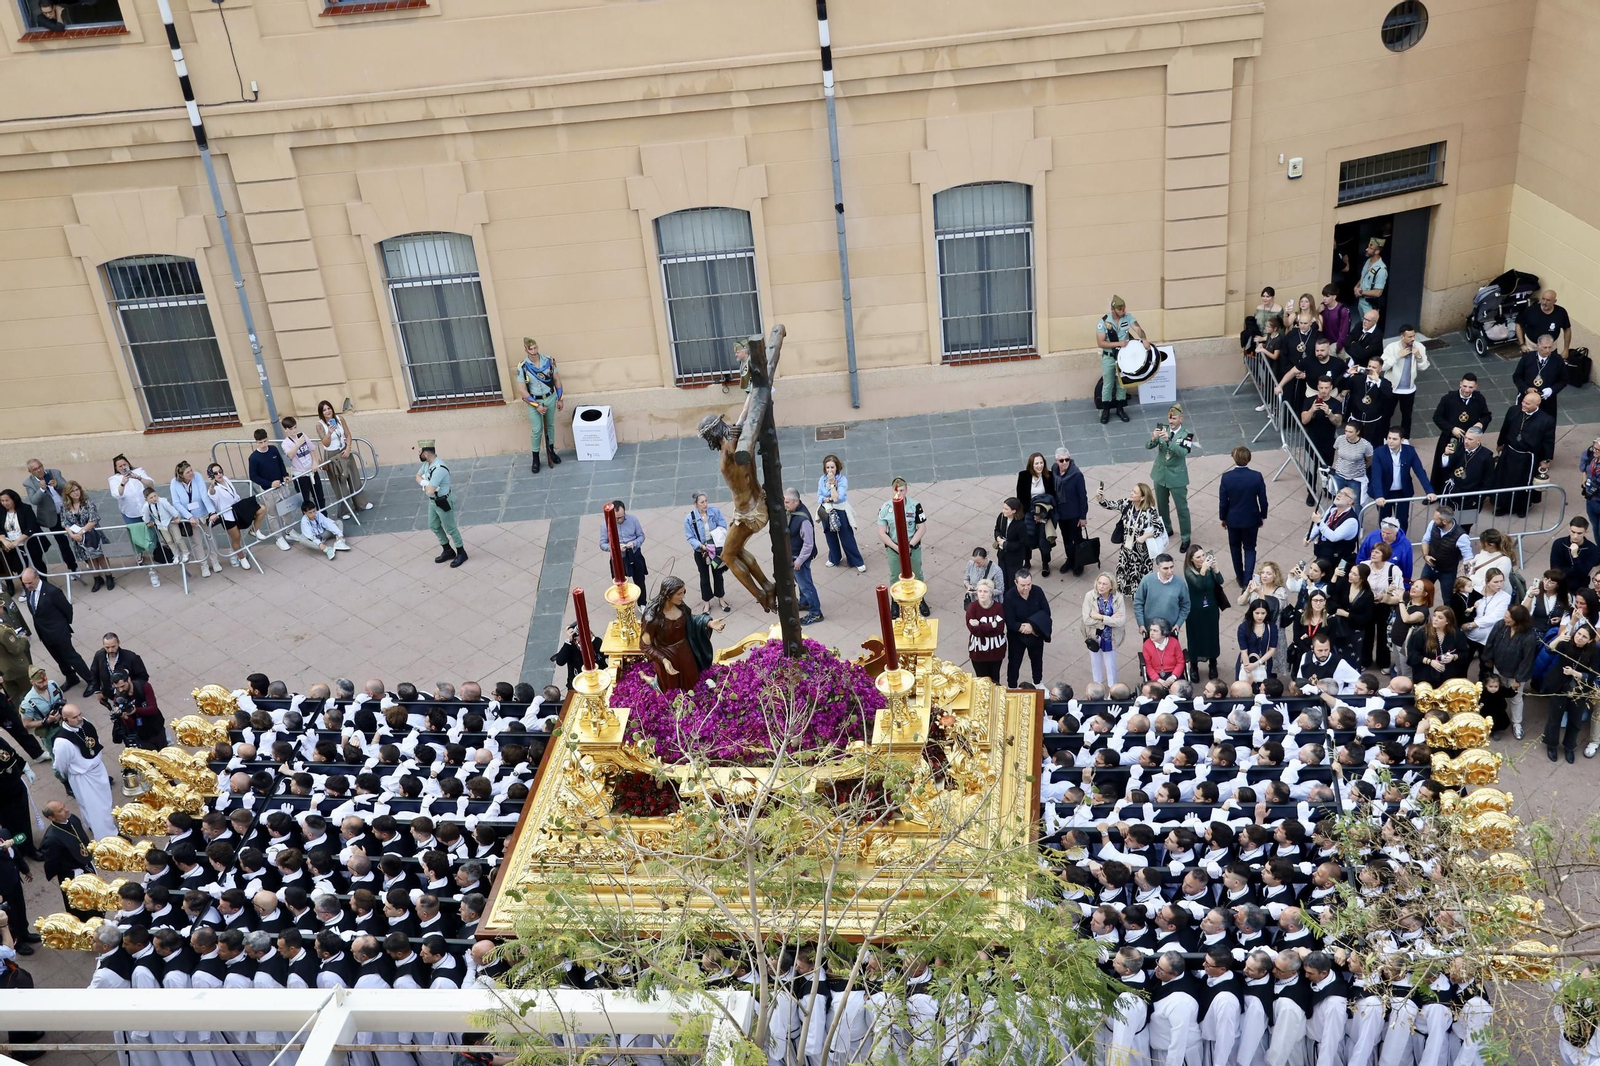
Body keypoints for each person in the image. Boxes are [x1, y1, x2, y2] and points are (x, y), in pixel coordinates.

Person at [638, 576, 726, 693]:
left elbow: (690, 621)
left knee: (692, 680)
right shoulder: (652, 619)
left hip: (685, 651)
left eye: (683, 592)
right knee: (671, 688)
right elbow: (645, 645)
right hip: (667, 655)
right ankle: (645, 678)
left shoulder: (680, 606)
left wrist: (708, 622)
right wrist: (663, 660)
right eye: (679, 594)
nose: (682, 597)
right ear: (668, 595)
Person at [17, 570, 90, 697]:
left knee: (71, 657)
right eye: (25, 583)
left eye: (29, 582)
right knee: (59, 658)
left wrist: (62, 626)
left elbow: (67, 609)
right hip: (44, 633)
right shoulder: (30, 591)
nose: (27, 586)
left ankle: (91, 680)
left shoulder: (52, 591)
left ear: (37, 578)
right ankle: (71, 677)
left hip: (59, 632)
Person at [51, 703, 116, 839]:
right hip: (83, 776)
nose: (80, 718)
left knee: (103, 803)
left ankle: (92, 824)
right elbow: (60, 765)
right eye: (75, 717)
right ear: (65, 719)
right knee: (97, 808)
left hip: (97, 769)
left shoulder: (84, 723)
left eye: (80, 714)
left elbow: (95, 741)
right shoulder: (62, 741)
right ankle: (108, 837)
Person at [1492, 389, 1556, 517]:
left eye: (1527, 403)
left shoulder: (1546, 420)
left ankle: (1522, 507)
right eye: (1523, 401)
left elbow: (1548, 440)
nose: (1523, 405)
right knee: (1504, 480)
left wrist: (1546, 459)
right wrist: (1500, 443)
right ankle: (1503, 505)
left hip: (1528, 456)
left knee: (1523, 483)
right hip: (1510, 452)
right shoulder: (1513, 411)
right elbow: (1505, 428)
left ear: (1536, 405)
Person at [1542, 619, 1597, 764]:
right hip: (1559, 685)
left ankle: (1569, 747)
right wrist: (1559, 638)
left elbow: (1593, 675)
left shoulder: (1594, 651)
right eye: (1579, 634)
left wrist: (1575, 673)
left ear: (1590, 640)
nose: (1579, 637)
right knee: (1555, 717)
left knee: (1575, 720)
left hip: (1579, 689)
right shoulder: (1567, 643)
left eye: (1584, 637)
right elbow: (1549, 650)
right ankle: (1551, 744)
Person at [1481, 605, 1539, 741]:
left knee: (1516, 698)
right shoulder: (1501, 625)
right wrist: (1488, 660)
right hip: (1499, 668)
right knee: (1495, 694)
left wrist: (1518, 679)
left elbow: (1527, 659)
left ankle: (1517, 724)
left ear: (1517, 620)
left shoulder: (1529, 636)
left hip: (1516, 674)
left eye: (1508, 617)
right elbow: (1491, 642)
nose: (1504, 619)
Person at [1098, 482, 1165, 596]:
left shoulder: (1150, 511)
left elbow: (1160, 529)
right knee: (1124, 572)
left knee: (1139, 576)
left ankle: (1139, 598)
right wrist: (1100, 498)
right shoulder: (1127, 503)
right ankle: (1126, 593)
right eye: (1132, 490)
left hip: (1141, 553)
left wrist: (1144, 536)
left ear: (1142, 497)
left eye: (1135, 492)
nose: (1131, 493)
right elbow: (1109, 504)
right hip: (1127, 548)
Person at [1147, 404, 1197, 553]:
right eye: (1169, 418)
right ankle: (1167, 529)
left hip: (1177, 476)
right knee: (1162, 506)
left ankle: (1186, 537)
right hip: (1160, 474)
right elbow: (1149, 446)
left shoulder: (1187, 435)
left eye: (1174, 418)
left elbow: (1182, 452)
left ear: (1181, 419)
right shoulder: (1163, 429)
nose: (1171, 421)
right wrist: (1154, 438)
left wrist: (1169, 441)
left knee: (1181, 508)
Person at [1217, 446, 1268, 589]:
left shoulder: (1227, 477)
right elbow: (1263, 500)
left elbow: (1223, 501)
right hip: (1251, 519)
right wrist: (1262, 515)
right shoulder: (1256, 476)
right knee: (1250, 548)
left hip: (1233, 520)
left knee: (1235, 548)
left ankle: (1240, 577)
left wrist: (1223, 517)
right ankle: (1247, 580)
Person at [1428, 373, 1492, 484]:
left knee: (1465, 464)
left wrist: (1481, 423)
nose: (1467, 390)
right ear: (1460, 384)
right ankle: (1436, 492)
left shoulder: (1479, 399)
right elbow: (1437, 417)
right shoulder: (1448, 399)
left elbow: (1487, 415)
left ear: (1475, 386)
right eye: (1465, 386)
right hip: (1450, 438)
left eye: (1470, 387)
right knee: (1443, 463)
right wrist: (1452, 428)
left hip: (1468, 440)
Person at [1369, 428, 1435, 532]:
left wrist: (1429, 491)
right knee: (1384, 520)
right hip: (1385, 492)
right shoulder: (1379, 452)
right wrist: (1378, 495)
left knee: (1403, 520)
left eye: (1394, 439)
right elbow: (1376, 476)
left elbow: (1420, 471)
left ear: (1402, 440)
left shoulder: (1410, 451)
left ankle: (1401, 541)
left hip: (1402, 492)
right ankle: (1386, 543)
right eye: (1389, 438)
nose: (1390, 441)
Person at [169, 460, 223, 580]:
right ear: (181, 475)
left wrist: (212, 512)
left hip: (203, 513)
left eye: (191, 470)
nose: (191, 473)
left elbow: (204, 496)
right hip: (191, 517)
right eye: (188, 472)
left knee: (211, 538)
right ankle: (203, 564)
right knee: (196, 542)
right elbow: (176, 503)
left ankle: (215, 561)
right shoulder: (174, 483)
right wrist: (189, 517)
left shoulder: (197, 477)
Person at [516, 338, 564, 472]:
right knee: (537, 430)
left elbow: (557, 380)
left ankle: (551, 452)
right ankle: (535, 459)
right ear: (526, 349)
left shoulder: (548, 361)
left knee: (550, 426)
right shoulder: (523, 367)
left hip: (549, 398)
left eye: (535, 348)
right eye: (531, 349)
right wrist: (537, 406)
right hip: (534, 401)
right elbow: (522, 390)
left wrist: (560, 399)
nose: (534, 351)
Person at [416, 441, 466, 568]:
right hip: (433, 501)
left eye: (420, 451)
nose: (419, 453)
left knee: (450, 528)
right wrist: (426, 483)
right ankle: (448, 550)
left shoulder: (439, 469)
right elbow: (417, 476)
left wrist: (426, 485)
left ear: (426, 454)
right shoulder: (428, 464)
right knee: (433, 525)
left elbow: (430, 490)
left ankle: (461, 552)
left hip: (443, 501)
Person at [1095, 295, 1145, 424]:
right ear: (1113, 309)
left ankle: (1120, 408)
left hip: (1124, 357)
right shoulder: (1103, 322)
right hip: (1109, 357)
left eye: (1124, 308)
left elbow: (1138, 329)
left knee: (1122, 383)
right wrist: (1118, 344)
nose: (1123, 311)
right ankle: (1106, 410)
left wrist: (1144, 340)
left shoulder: (1127, 317)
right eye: (1120, 309)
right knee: (1108, 384)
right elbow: (1101, 343)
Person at [22, 460, 76, 576]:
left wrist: (57, 484)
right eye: (35, 469)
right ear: (30, 471)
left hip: (67, 512)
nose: (39, 470)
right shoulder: (28, 483)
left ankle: (88, 561)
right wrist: (41, 490)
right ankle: (73, 568)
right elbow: (34, 500)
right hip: (52, 517)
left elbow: (67, 487)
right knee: (63, 544)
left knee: (79, 537)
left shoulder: (55, 473)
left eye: (40, 466)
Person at [204, 461, 261, 569]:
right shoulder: (214, 489)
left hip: (238, 509)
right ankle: (241, 557)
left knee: (261, 509)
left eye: (220, 471)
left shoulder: (226, 479)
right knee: (236, 538)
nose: (219, 474)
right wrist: (211, 485)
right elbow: (212, 494)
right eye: (215, 473)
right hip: (228, 517)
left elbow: (234, 494)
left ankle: (254, 530)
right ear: (211, 476)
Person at [815, 455, 866, 573]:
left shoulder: (842, 480)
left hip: (840, 510)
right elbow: (819, 497)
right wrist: (827, 499)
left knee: (846, 535)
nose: (830, 470)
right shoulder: (822, 479)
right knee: (829, 535)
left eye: (832, 467)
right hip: (826, 510)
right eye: (827, 467)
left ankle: (856, 560)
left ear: (837, 467)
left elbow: (839, 497)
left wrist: (833, 485)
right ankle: (834, 557)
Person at [683, 492, 731, 613]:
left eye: (706, 501)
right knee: (704, 577)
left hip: (716, 550)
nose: (705, 504)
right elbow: (690, 537)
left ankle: (721, 598)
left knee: (718, 575)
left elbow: (723, 526)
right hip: (701, 552)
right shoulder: (690, 519)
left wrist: (715, 541)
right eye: (702, 502)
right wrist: (701, 546)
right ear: (695, 504)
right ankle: (706, 603)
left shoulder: (714, 512)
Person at [1002, 569, 1051, 689]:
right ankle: (1012, 686)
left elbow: (1046, 612)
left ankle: (1038, 682)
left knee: (1037, 660)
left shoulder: (1037, 591)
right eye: (1023, 585)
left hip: (1035, 634)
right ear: (1016, 582)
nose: (1027, 588)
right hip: (1017, 637)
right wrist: (1025, 628)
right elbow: (1010, 621)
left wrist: (1032, 627)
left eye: (1029, 584)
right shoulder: (1009, 596)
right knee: (1014, 662)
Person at [58, 481, 111, 591]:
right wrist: (72, 535)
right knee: (89, 558)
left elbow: (93, 519)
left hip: (93, 535)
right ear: (68, 493)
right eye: (72, 491)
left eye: (77, 490)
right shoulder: (65, 506)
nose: (76, 493)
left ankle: (109, 577)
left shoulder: (88, 503)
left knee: (101, 557)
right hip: (79, 538)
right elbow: (64, 522)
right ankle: (97, 578)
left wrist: (81, 532)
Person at [1183, 546, 1226, 682]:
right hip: (1195, 609)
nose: (1202, 559)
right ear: (1191, 559)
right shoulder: (1188, 571)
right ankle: (1194, 665)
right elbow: (1198, 585)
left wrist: (1215, 568)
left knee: (1212, 635)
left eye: (1203, 555)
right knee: (1195, 637)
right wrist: (1203, 570)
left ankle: (1213, 663)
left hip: (1211, 607)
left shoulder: (1209, 568)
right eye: (1198, 557)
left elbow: (1220, 581)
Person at [247, 428, 294, 551]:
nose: (264, 444)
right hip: (268, 490)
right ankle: (279, 537)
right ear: (256, 442)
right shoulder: (254, 458)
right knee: (272, 514)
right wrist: (269, 484)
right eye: (261, 442)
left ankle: (289, 531)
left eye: (265, 441)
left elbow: (280, 463)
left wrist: (285, 475)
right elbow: (253, 476)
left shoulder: (273, 449)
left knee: (286, 509)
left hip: (281, 485)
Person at [1379, 324, 1427, 440]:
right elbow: (1383, 366)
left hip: (1409, 389)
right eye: (1409, 336)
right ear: (1402, 336)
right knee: (1387, 414)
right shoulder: (1391, 347)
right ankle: (1385, 437)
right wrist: (1397, 356)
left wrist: (1419, 356)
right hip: (1392, 388)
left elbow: (1424, 367)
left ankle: (1405, 438)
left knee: (1407, 416)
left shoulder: (1419, 347)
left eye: (1413, 336)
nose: (1413, 339)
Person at [782, 489, 823, 625]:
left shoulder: (802, 520)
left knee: (806, 585)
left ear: (796, 501)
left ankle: (816, 613)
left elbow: (808, 544)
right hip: (794, 554)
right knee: (801, 582)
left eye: (787, 502)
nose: (784, 504)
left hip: (799, 557)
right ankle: (804, 602)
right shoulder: (794, 512)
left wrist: (799, 560)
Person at [1080, 572, 1126, 687]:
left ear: (1111, 586)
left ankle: (1112, 689)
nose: (1101, 586)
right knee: (1095, 664)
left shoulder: (1118, 598)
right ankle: (1097, 687)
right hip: (1093, 636)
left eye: (1105, 584)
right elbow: (1087, 620)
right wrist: (1110, 620)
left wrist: (1101, 617)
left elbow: (1120, 622)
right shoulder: (1089, 596)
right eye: (1099, 583)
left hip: (1111, 637)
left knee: (1111, 665)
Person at [1016, 452, 1057, 576]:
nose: (1039, 466)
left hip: (1044, 514)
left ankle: (1045, 563)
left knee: (1043, 539)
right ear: (1031, 464)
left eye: (1041, 463)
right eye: (1036, 463)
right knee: (1027, 538)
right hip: (1028, 513)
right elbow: (1021, 497)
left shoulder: (1049, 476)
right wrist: (1031, 513)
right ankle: (1027, 561)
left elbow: (1052, 496)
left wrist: (1043, 514)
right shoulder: (1023, 476)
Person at [1133, 553, 1190, 642]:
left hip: (1170, 629)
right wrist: (1141, 624)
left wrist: (1178, 624)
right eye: (1165, 568)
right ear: (1158, 567)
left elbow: (1186, 605)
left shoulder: (1180, 583)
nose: (1170, 571)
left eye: (1172, 567)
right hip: (1150, 629)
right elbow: (1138, 603)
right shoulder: (1147, 580)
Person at [1051, 449, 1091, 577]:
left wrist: (1083, 516)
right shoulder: (1054, 470)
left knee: (1077, 539)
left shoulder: (1076, 474)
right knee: (1066, 539)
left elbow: (1082, 496)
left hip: (1074, 514)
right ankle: (1070, 559)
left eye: (1066, 459)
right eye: (1061, 460)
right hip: (1061, 514)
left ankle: (1079, 563)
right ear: (1056, 461)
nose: (1064, 463)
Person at [1408, 606, 1471, 686]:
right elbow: (1413, 655)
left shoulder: (1456, 634)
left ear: (1447, 621)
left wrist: (1454, 656)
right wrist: (1430, 662)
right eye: (1434, 616)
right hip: (1426, 677)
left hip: (1449, 677)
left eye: (1440, 618)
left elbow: (1464, 653)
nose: (1435, 619)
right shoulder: (1422, 633)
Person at [108, 669, 168, 751]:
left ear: (128, 679)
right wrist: (125, 718)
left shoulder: (143, 686)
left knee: (165, 751)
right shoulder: (118, 699)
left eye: (122, 686)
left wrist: (135, 710)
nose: (121, 690)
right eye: (117, 688)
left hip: (156, 728)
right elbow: (131, 725)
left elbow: (153, 709)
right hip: (141, 735)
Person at [1343, 354, 1394, 448]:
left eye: (1374, 367)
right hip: (1356, 421)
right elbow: (1341, 385)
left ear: (1380, 369)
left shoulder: (1384, 383)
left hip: (1373, 423)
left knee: (1373, 447)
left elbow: (1389, 395)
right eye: (1369, 366)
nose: (1370, 369)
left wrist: (1378, 381)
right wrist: (1347, 373)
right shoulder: (1358, 379)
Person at [87, 632, 147, 711]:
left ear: (118, 643)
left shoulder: (131, 658)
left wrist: (132, 687)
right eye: (107, 647)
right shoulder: (100, 655)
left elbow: (143, 676)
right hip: (110, 695)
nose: (110, 650)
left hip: (129, 695)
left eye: (113, 646)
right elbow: (94, 673)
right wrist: (97, 691)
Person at [1513, 333, 1567, 419]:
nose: (1548, 350)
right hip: (1527, 400)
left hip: (1548, 402)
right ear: (1538, 345)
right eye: (1545, 347)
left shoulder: (1558, 360)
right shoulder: (1527, 358)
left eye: (1550, 347)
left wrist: (1551, 390)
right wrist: (1526, 389)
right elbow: (1517, 377)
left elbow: (1563, 380)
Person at [281, 416, 328, 513]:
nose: (294, 430)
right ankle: (310, 522)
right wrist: (297, 444)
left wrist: (314, 462)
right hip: (300, 474)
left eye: (295, 427)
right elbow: (290, 455)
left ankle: (323, 517)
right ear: (286, 430)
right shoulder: (285, 443)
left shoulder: (302, 435)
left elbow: (311, 449)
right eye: (291, 429)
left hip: (312, 470)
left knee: (319, 496)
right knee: (305, 500)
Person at [599, 499, 648, 591]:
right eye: (616, 518)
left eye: (621, 517)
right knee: (620, 585)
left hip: (634, 554)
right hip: (618, 558)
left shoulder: (633, 520)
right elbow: (602, 544)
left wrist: (634, 543)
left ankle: (642, 604)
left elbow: (641, 536)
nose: (619, 520)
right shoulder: (605, 525)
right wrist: (615, 548)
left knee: (640, 580)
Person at [1307, 486, 1361, 567]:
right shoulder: (1332, 508)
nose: (1339, 495)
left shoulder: (1351, 521)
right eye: (1339, 492)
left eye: (1344, 494)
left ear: (1350, 501)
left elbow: (1333, 537)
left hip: (1338, 561)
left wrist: (1319, 522)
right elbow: (1322, 524)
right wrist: (1310, 537)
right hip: (1323, 553)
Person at [964, 579, 1005, 683]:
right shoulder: (972, 608)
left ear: (991, 593)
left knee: (995, 681)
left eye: (985, 591)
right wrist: (992, 625)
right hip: (978, 652)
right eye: (980, 591)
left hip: (996, 651)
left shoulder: (998, 608)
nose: (982, 594)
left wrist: (980, 626)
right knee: (981, 682)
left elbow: (999, 629)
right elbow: (973, 630)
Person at [0, 491, 43, 591]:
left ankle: (43, 585)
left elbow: (32, 526)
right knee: (19, 567)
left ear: (13, 499)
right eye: (2, 501)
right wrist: (4, 541)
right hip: (11, 546)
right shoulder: (1, 512)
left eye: (7, 500)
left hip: (27, 543)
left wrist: (18, 541)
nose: (4, 503)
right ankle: (27, 588)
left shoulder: (25, 509)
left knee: (37, 565)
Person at [1299, 378, 1344, 468]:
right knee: (1311, 470)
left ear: (1331, 387)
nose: (1323, 390)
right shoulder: (1309, 401)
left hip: (1328, 442)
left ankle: (1326, 482)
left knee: (1327, 469)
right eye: (1321, 388)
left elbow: (1338, 423)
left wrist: (1329, 413)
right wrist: (1311, 410)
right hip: (1311, 441)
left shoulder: (1336, 403)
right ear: (1318, 387)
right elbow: (1304, 420)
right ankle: (1310, 482)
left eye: (1326, 388)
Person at [1329, 421, 1374, 506]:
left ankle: (1358, 519)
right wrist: (1336, 466)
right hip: (1340, 475)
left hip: (1355, 478)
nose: (1347, 434)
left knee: (1357, 503)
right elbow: (1337, 452)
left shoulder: (1365, 445)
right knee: (1337, 499)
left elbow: (1369, 459)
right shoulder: (1340, 439)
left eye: (1350, 432)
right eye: (1346, 431)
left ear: (1358, 432)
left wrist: (1361, 468)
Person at [1551, 518, 1600, 595]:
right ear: (1569, 529)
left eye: (1579, 533)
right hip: (1560, 585)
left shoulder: (1593, 550)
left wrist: (1575, 556)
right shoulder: (1559, 544)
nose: (1575, 536)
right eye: (1573, 532)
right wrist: (1575, 571)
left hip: (1580, 588)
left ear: (1586, 532)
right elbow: (1555, 570)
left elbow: (1582, 573)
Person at [1464, 569, 1512, 644]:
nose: (1499, 585)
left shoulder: (1505, 597)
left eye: (1501, 581)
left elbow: (1495, 617)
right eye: (1496, 582)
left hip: (1487, 635)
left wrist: (1470, 625)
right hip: (1468, 631)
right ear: (1487, 582)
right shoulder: (1475, 590)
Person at [1236, 599, 1277, 684]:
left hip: (1264, 662)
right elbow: (1244, 651)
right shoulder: (1243, 627)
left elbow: (1272, 649)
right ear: (1252, 612)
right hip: (1246, 661)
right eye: (1257, 613)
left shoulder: (1272, 627)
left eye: (1263, 613)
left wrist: (1257, 664)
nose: (1260, 616)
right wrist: (1249, 672)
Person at [993, 498, 1029, 592]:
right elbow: (997, 529)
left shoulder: (1021, 525)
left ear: (1014, 511)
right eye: (1003, 508)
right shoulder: (1001, 517)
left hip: (1014, 558)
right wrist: (998, 537)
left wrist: (1006, 544)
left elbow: (1022, 543)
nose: (1003, 511)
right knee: (1002, 578)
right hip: (1002, 555)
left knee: (1012, 581)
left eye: (1006, 509)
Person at [1353, 237, 1387, 322]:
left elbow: (1378, 292)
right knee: (1362, 324)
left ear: (1377, 252)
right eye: (1368, 247)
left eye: (1370, 248)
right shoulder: (1368, 261)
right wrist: (1356, 287)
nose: (1367, 249)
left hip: (1370, 303)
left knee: (1369, 326)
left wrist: (1361, 292)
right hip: (1361, 300)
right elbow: (1363, 277)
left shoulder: (1381, 270)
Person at [1318, 284, 1349, 353]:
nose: (1324, 298)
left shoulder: (1342, 311)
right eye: (1323, 296)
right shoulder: (1323, 306)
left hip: (1336, 343)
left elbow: (1343, 330)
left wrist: (1338, 346)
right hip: (1324, 342)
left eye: (1327, 296)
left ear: (1334, 297)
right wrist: (1318, 311)